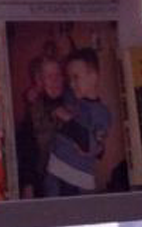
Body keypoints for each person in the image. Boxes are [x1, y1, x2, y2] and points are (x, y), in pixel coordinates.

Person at [44, 48, 111, 196]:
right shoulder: (72, 96)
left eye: (76, 78)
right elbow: (54, 94)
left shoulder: (101, 112)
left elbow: (91, 145)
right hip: (54, 168)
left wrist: (67, 118)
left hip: (74, 179)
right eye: (70, 79)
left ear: (93, 77)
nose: (72, 84)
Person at [16, 55, 68, 198]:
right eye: (49, 76)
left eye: (58, 74)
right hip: (44, 183)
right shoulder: (34, 112)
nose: (56, 80)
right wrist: (28, 185)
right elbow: (27, 153)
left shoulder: (72, 101)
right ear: (39, 82)